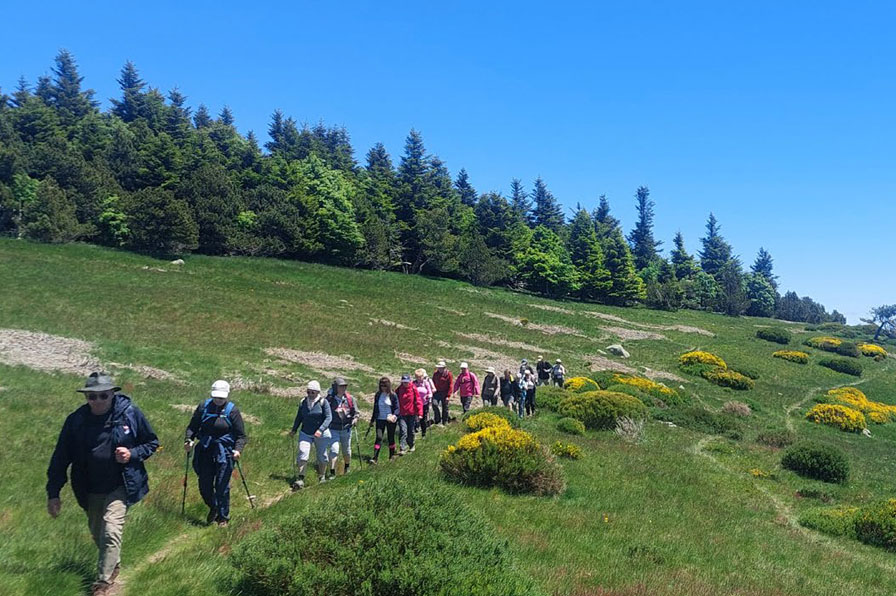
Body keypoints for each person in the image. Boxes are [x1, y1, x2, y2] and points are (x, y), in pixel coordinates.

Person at [47, 372, 159, 596]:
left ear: (112, 394)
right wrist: (53, 493)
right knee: (99, 533)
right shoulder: (76, 421)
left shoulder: (129, 414)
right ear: (86, 397)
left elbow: (152, 442)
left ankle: (103, 583)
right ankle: (113, 564)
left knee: (111, 529)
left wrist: (132, 453)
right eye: (92, 396)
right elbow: (60, 457)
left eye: (103, 396)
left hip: (121, 484)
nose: (97, 401)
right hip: (88, 488)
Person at [184, 380, 248, 527]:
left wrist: (238, 450)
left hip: (225, 453)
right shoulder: (203, 407)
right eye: (216, 397)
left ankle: (223, 517)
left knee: (222, 485)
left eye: (221, 398)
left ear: (226, 396)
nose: (218, 400)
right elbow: (192, 427)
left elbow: (241, 436)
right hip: (206, 450)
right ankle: (214, 506)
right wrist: (188, 440)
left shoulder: (232, 411)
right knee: (204, 485)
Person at [289, 380, 332, 490]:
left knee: (322, 456)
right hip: (305, 432)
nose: (310, 394)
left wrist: (320, 430)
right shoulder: (303, 402)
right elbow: (299, 417)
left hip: (320, 434)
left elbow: (328, 418)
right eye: (308, 392)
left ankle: (321, 477)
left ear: (317, 392)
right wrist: (294, 429)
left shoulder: (323, 403)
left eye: (312, 392)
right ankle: (301, 478)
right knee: (303, 452)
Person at [325, 377, 359, 479]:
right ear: (336, 387)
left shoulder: (350, 399)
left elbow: (356, 412)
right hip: (333, 429)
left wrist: (355, 419)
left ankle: (347, 467)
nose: (343, 388)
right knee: (334, 449)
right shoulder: (329, 400)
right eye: (341, 386)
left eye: (344, 386)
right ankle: (332, 472)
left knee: (346, 451)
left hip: (346, 428)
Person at [369, 376, 399, 463]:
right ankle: (375, 457)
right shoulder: (378, 395)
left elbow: (397, 408)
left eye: (385, 386)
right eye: (381, 385)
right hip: (380, 419)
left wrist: (394, 416)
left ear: (388, 386)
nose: (383, 387)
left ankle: (391, 456)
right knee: (379, 437)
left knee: (391, 437)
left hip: (390, 419)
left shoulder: (393, 395)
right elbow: (375, 408)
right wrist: (372, 420)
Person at [397, 374, 423, 455]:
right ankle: (402, 448)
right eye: (403, 382)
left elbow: (418, 401)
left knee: (411, 431)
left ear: (409, 381)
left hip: (411, 413)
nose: (405, 384)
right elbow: (394, 399)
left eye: (406, 382)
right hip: (402, 414)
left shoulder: (413, 388)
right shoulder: (399, 389)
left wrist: (420, 413)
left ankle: (411, 445)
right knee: (403, 430)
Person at [412, 368, 436, 437]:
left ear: (423, 376)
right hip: (416, 403)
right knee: (415, 418)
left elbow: (430, 392)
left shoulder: (426, 383)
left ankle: (423, 433)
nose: (419, 378)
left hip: (424, 403)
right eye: (417, 377)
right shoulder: (413, 383)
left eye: (420, 377)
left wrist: (429, 396)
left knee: (423, 419)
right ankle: (414, 431)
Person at [431, 361, 453, 426]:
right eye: (438, 368)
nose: (439, 369)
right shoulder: (435, 373)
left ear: (444, 368)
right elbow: (433, 382)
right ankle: (437, 420)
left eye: (441, 368)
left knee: (445, 407)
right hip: (437, 392)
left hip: (445, 392)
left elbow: (450, 385)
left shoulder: (448, 374)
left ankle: (445, 421)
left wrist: (448, 396)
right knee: (434, 404)